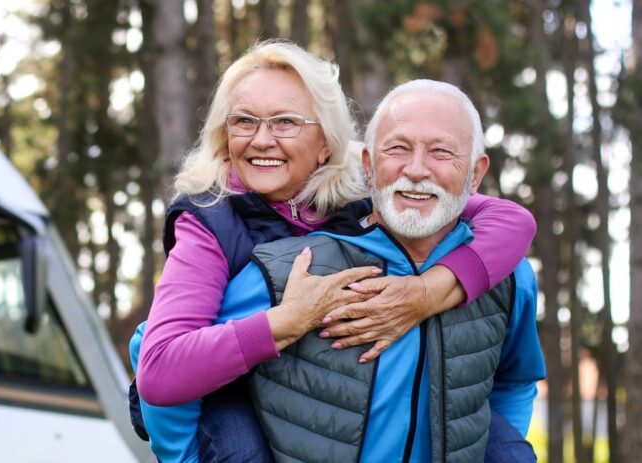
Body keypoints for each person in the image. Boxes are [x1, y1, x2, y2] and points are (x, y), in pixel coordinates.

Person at [129, 41, 536, 462]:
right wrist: (285, 322)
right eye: (244, 121)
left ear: (326, 143)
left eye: (286, 122)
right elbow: (154, 359)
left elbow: (512, 222)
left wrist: (427, 293)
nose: (263, 139)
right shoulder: (211, 220)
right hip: (218, 395)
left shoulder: (357, 201)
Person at [235, 79, 546, 462]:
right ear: (368, 164)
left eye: (441, 152)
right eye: (397, 148)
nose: (416, 170)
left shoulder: (511, 277)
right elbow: (158, 357)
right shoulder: (290, 270)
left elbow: (514, 382)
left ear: (476, 173)